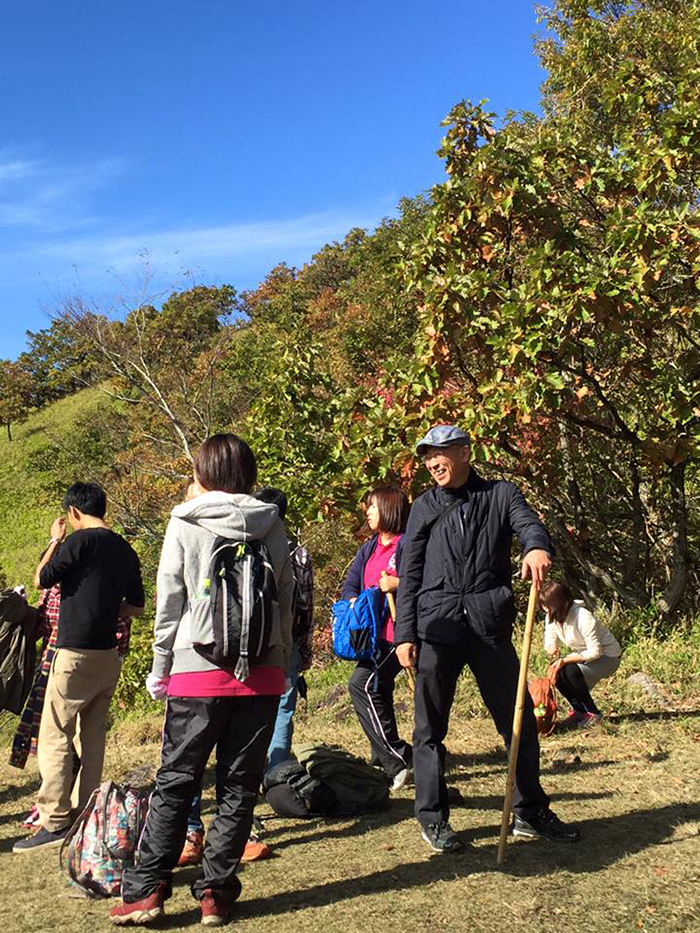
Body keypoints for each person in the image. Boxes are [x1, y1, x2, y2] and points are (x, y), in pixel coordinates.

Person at [109, 434, 294, 927]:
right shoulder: (272, 524)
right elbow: (287, 601)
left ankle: (147, 890)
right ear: (249, 474)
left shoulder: (185, 522)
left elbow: (170, 601)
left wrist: (159, 667)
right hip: (262, 671)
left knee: (175, 782)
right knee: (239, 787)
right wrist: (283, 658)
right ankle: (215, 894)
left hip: (197, 670)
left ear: (204, 472)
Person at [394, 424, 580, 853]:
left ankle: (529, 812)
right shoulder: (423, 506)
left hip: (487, 625)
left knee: (517, 722)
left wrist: (535, 547)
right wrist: (405, 634)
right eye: (426, 457)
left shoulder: (501, 494)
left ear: (463, 452)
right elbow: (410, 575)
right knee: (428, 729)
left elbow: (529, 526)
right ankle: (432, 818)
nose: (432, 464)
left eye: (439, 454)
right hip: (436, 628)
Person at [13, 482, 144, 853]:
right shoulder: (124, 549)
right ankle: (89, 815)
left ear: (73, 512)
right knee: (93, 738)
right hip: (108, 657)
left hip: (73, 654)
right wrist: (105, 608)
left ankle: (54, 820)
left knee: (55, 736)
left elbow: (42, 579)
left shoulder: (77, 541)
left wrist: (55, 541)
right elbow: (136, 607)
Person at [10, 551, 131, 828]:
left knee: (55, 737)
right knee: (88, 738)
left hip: (59, 660)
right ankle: (85, 808)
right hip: (102, 657)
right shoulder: (105, 581)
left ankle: (55, 811)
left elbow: (42, 622)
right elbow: (123, 627)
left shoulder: (54, 588)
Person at [342, 485, 412, 791]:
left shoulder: (407, 544)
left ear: (387, 508)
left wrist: (398, 582)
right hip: (371, 637)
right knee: (377, 689)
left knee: (362, 685)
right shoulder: (369, 548)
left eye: (372, 506)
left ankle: (396, 759)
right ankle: (390, 753)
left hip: (397, 634)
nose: (367, 512)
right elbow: (351, 583)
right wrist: (354, 600)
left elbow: (428, 580)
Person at [540, 580, 621, 728]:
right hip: (585, 655)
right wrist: (552, 648)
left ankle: (593, 713)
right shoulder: (552, 616)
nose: (544, 609)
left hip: (608, 657)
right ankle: (579, 711)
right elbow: (549, 638)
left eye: (546, 605)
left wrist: (565, 660)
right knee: (556, 671)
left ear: (557, 603)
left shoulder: (583, 616)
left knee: (569, 671)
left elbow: (596, 651)